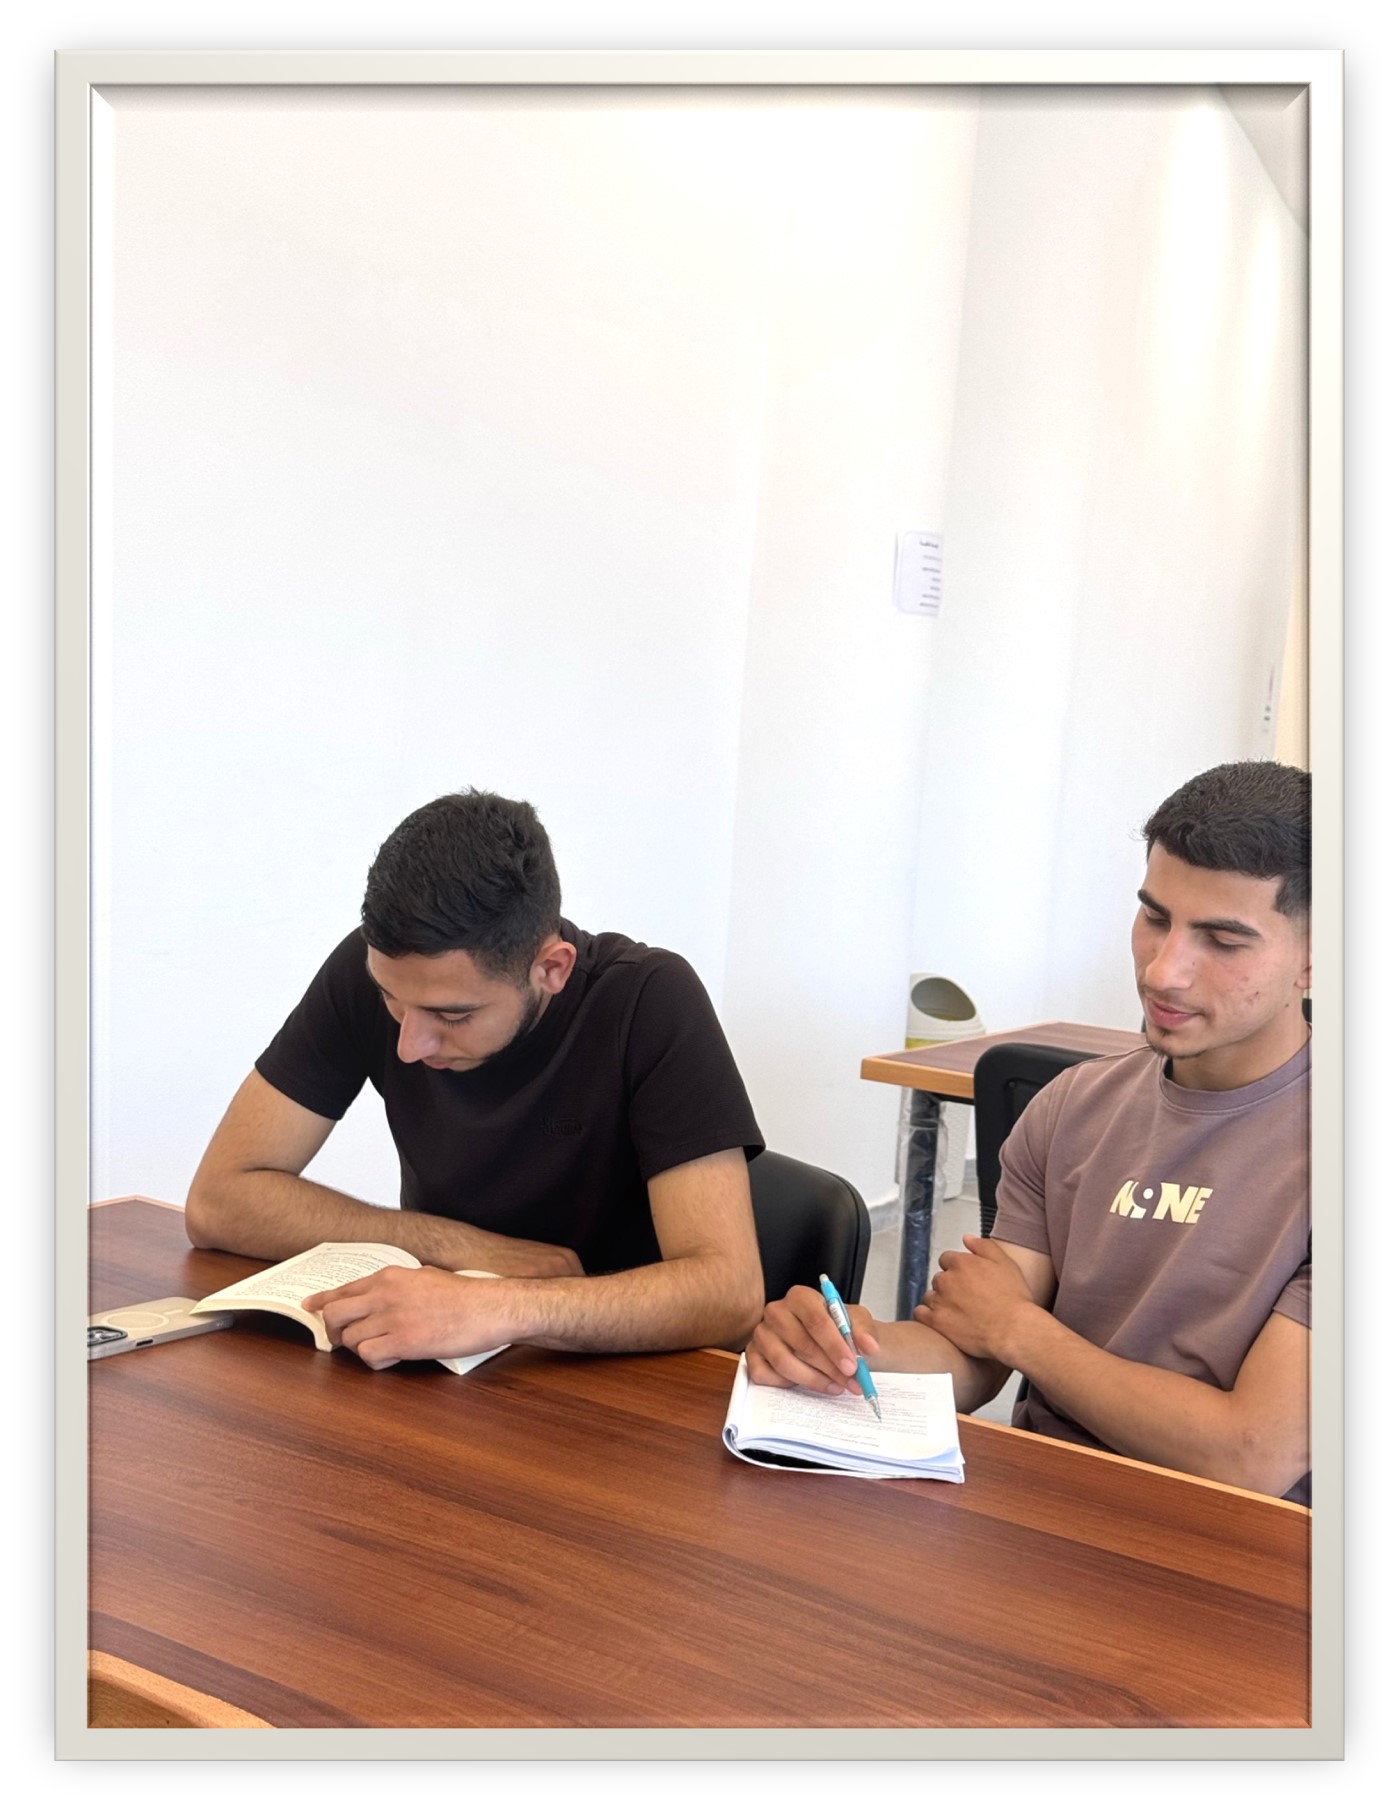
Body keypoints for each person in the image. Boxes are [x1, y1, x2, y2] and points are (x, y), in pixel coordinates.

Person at [746, 760, 1312, 1503]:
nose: (1163, 972)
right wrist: (845, 1349)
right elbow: (970, 1352)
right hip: (1038, 1508)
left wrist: (1020, 1331)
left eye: (1223, 940)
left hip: (1228, 1542)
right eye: (1154, 918)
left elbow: (1249, 1456)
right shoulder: (1073, 1106)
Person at [186, 789, 767, 1365]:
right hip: (436, 1361)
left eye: (453, 1016)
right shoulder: (381, 969)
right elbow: (218, 1201)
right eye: (392, 1000)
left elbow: (728, 1294)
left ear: (551, 968)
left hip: (625, 1377)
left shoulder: (648, 1000)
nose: (410, 1045)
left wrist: (499, 1305)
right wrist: (462, 1248)